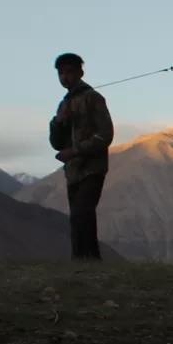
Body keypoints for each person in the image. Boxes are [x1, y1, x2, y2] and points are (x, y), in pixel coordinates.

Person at [49, 53, 114, 261]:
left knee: (81, 214)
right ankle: (90, 261)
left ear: (80, 73)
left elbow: (105, 135)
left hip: (92, 167)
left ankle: (80, 261)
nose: (65, 77)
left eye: (69, 72)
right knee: (82, 217)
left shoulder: (93, 98)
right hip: (73, 171)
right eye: (61, 73)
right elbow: (56, 144)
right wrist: (58, 122)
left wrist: (76, 151)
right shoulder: (63, 104)